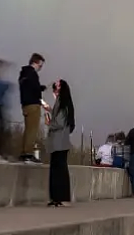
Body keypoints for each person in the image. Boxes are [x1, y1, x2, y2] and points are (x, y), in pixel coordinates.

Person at [45, 79, 75, 207]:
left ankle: (60, 197)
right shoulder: (62, 102)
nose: (54, 87)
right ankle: (58, 197)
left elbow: (59, 122)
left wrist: (49, 124)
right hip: (59, 141)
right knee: (57, 169)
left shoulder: (63, 103)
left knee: (58, 169)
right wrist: (50, 109)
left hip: (59, 141)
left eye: (56, 86)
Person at [18, 53, 46, 163]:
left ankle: (24, 152)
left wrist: (39, 88)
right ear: (35, 63)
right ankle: (28, 153)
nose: (40, 68)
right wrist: (40, 89)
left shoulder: (23, 74)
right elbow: (34, 89)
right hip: (33, 104)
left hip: (25, 104)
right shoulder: (32, 74)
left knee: (27, 129)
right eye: (40, 66)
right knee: (32, 130)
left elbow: (28, 88)